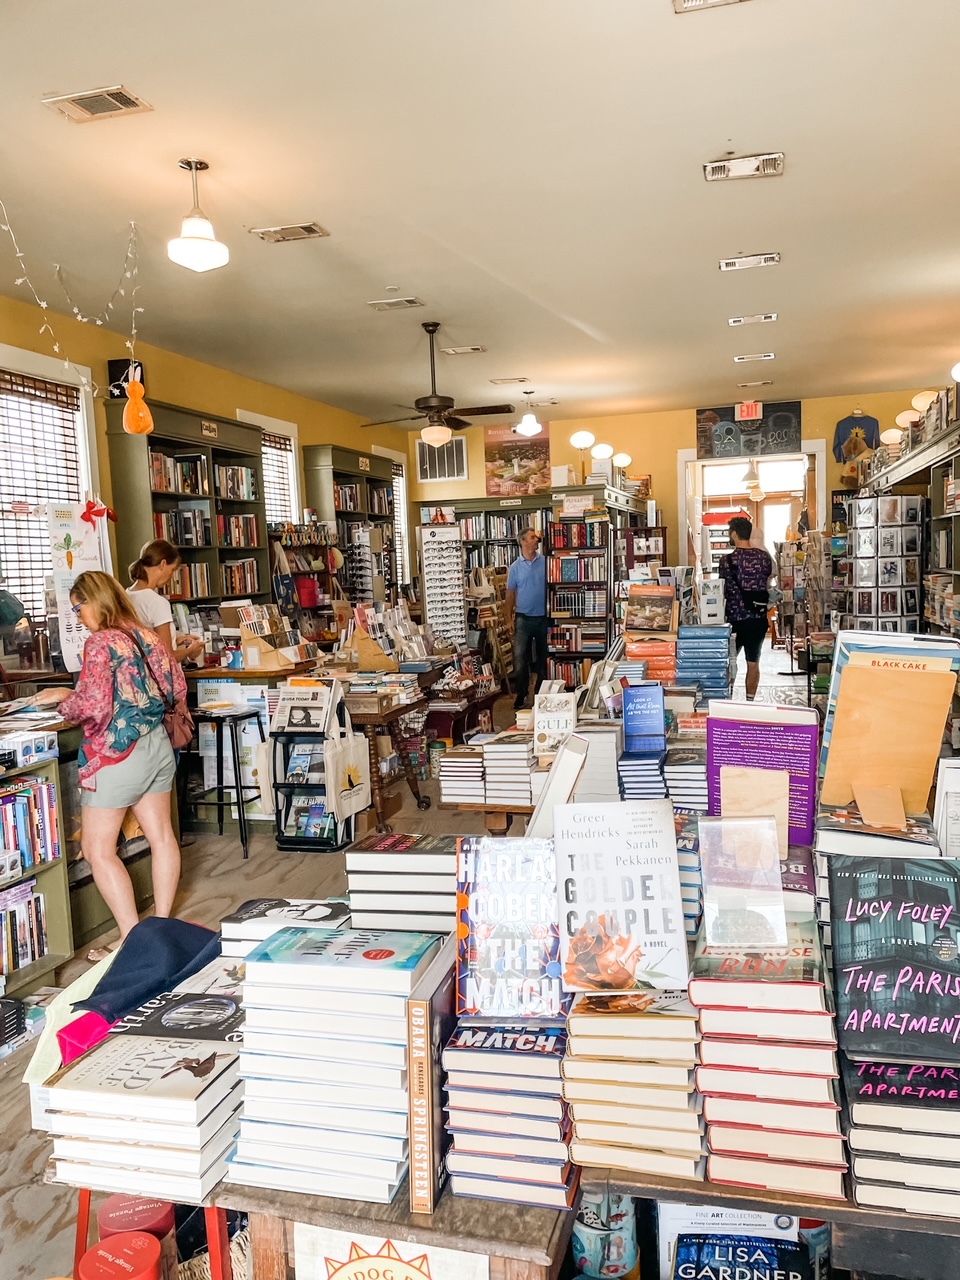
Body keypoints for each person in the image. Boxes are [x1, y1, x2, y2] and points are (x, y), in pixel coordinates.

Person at [34, 571, 187, 940]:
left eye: (77, 607)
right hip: (157, 748)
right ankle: (162, 924)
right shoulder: (146, 634)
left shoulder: (102, 643)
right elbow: (177, 685)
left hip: (119, 755)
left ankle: (129, 938)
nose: (77, 616)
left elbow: (94, 706)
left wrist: (61, 700)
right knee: (162, 836)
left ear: (95, 602)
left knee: (96, 849)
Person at [718, 516, 773, 701]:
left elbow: (722, 589)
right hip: (758, 619)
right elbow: (767, 581)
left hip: (734, 620)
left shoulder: (727, 561)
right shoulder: (764, 557)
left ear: (734, 533)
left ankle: (728, 698)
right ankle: (750, 701)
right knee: (753, 662)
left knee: (729, 662)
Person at [127, 539, 205, 666]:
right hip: (161, 678)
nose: (172, 575)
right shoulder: (157, 602)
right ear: (163, 564)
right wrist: (190, 651)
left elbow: (145, 642)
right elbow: (167, 657)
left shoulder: (125, 596)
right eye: (173, 569)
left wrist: (176, 640)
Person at [505, 527, 548, 711]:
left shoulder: (546, 562)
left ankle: (540, 694)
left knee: (544, 658)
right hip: (523, 619)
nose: (536, 539)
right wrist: (508, 618)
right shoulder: (515, 568)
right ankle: (522, 694)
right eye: (532, 537)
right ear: (523, 542)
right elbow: (510, 594)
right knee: (520, 658)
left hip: (543, 618)